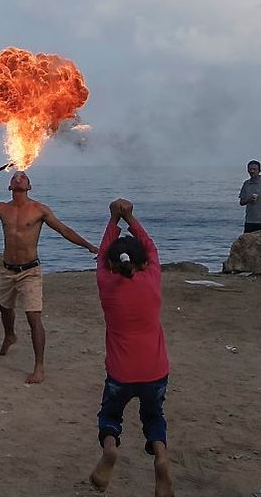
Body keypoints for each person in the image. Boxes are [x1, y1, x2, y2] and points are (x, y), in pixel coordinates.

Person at [0, 171, 98, 384]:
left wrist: (89, 246)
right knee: (4, 309)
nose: (19, 177)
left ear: (29, 186)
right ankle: (10, 335)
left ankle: (39, 368)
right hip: (8, 270)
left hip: (30, 271)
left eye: (23, 176)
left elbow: (64, 230)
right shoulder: (1, 208)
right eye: (15, 176)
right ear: (9, 186)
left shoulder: (39, 210)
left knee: (34, 318)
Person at [89, 199, 173, 497]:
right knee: (154, 417)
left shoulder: (105, 282)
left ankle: (111, 450)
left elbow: (101, 256)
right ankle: (161, 457)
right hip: (155, 370)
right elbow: (150, 246)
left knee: (110, 417)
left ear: (112, 264)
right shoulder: (152, 278)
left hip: (120, 374)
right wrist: (131, 219)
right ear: (143, 263)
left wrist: (112, 220)